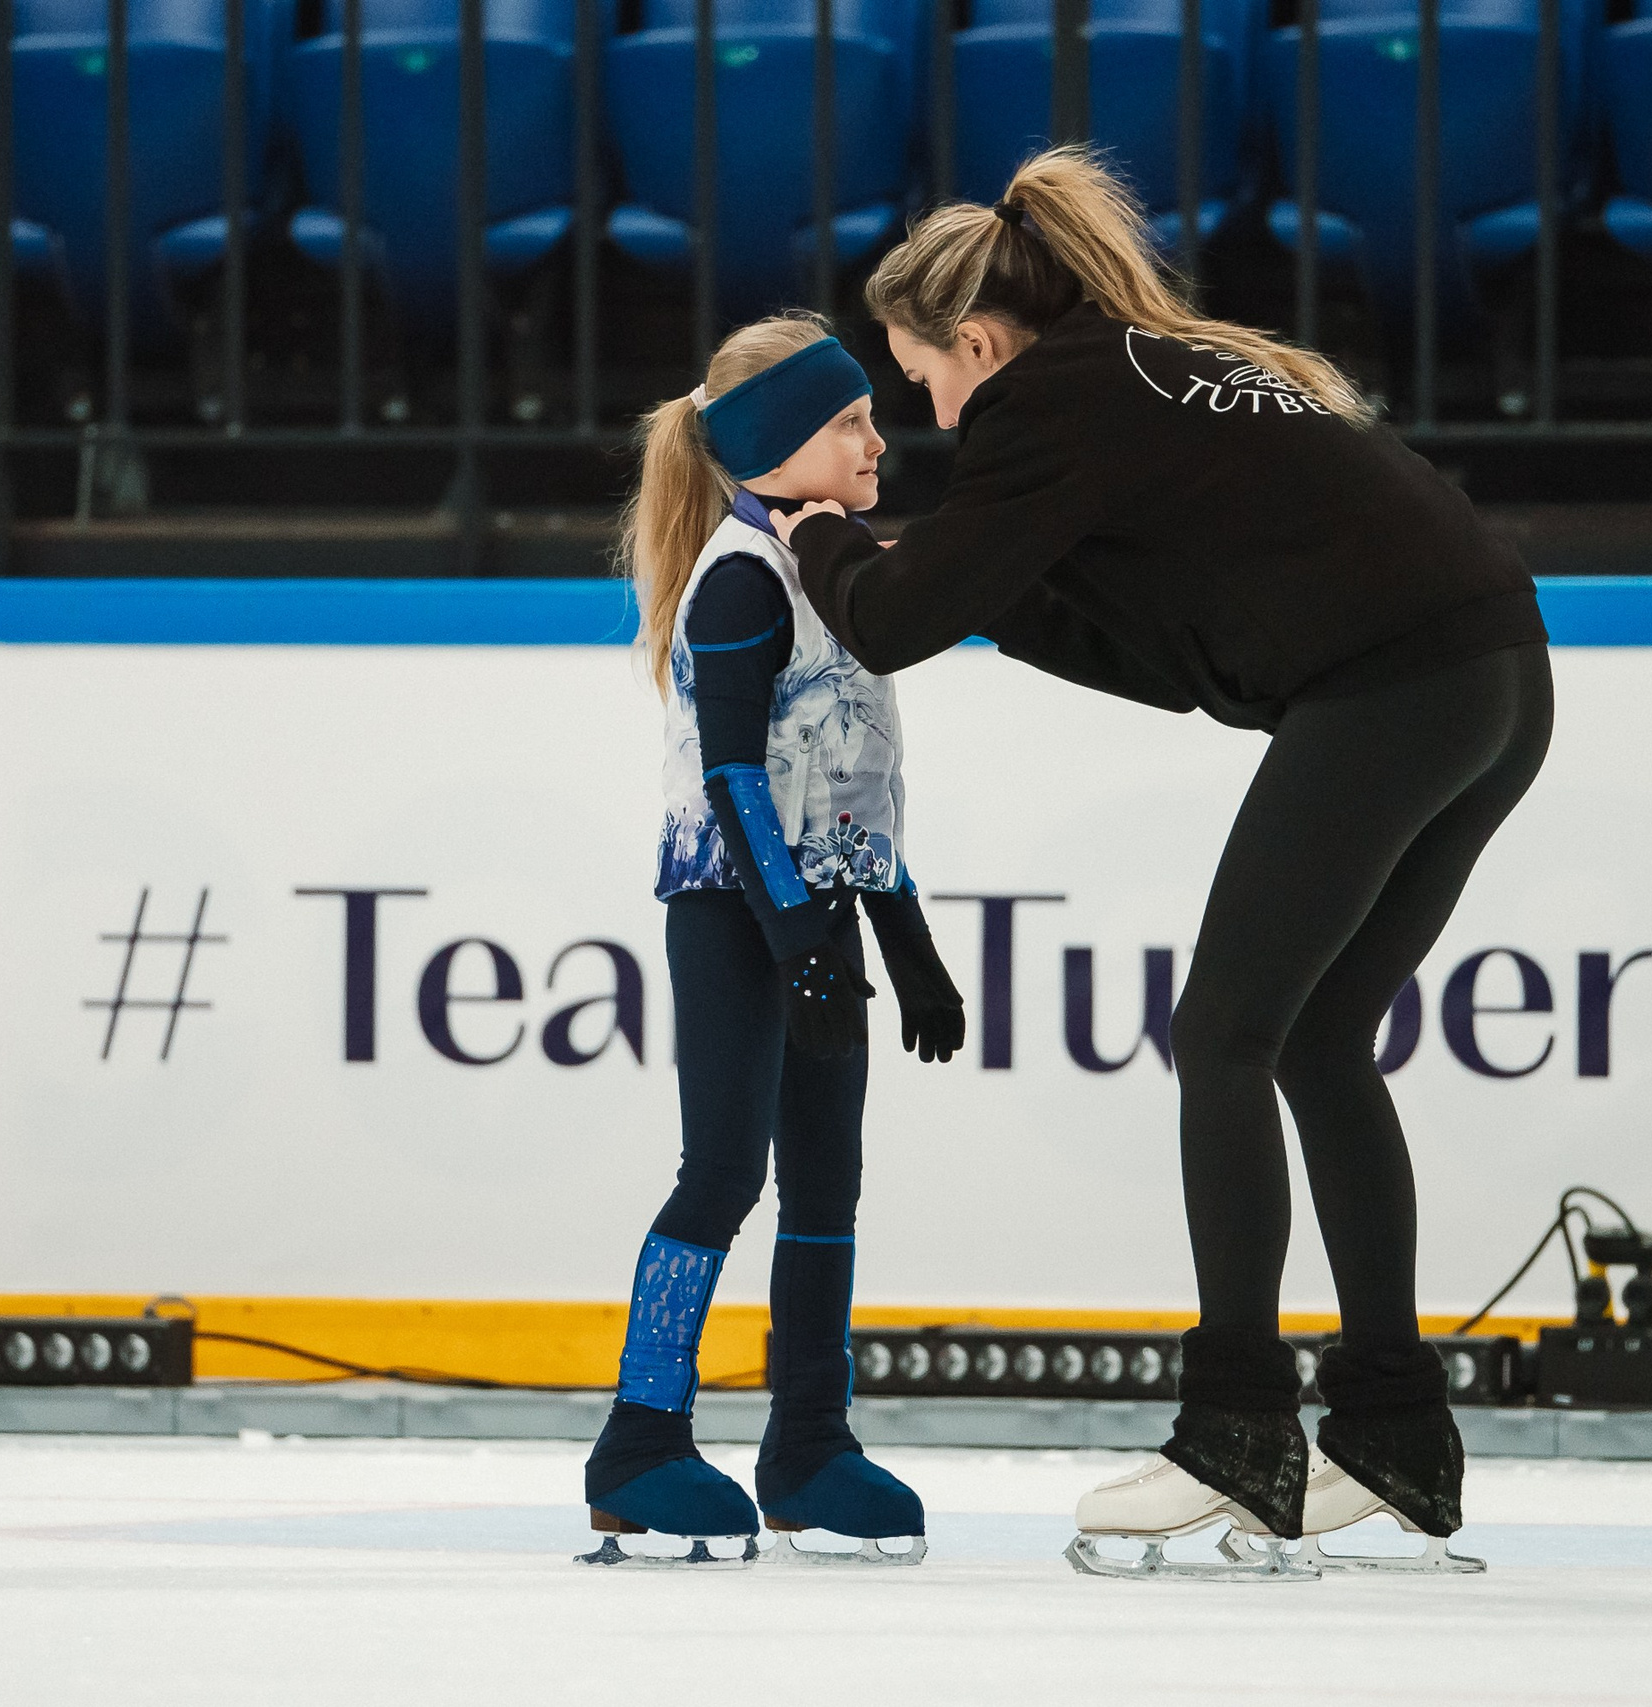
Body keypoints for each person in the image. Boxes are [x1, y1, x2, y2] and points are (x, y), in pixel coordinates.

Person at [773, 148, 1550, 1579]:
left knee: (1226, 1034)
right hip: (1496, 674)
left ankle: (1239, 1424)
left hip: (1395, 686)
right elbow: (1159, 659)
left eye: (927, 384)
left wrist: (819, 540)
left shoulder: (1044, 399)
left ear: (979, 343)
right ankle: (1393, 1429)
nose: (935, 417)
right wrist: (957, 585)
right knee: (1315, 1041)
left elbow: (884, 624)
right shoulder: (1144, 364)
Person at [579, 314, 968, 1569]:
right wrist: (798, 937)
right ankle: (639, 1443)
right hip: (729, 905)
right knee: (723, 1171)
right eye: (850, 421)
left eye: (868, 414)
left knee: (828, 1178)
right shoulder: (743, 578)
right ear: (778, 445)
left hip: (818, 908)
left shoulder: (830, 568)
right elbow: (740, 779)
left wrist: (903, 937)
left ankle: (808, 1441)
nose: (877, 440)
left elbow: (852, 783)